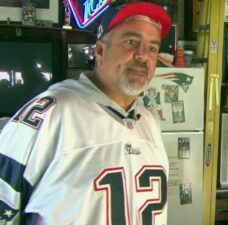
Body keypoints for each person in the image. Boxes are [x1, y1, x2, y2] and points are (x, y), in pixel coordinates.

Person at [0, 2, 171, 225]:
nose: (142, 56)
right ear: (100, 50)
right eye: (131, 42)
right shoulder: (50, 113)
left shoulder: (149, 122)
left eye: (152, 48)